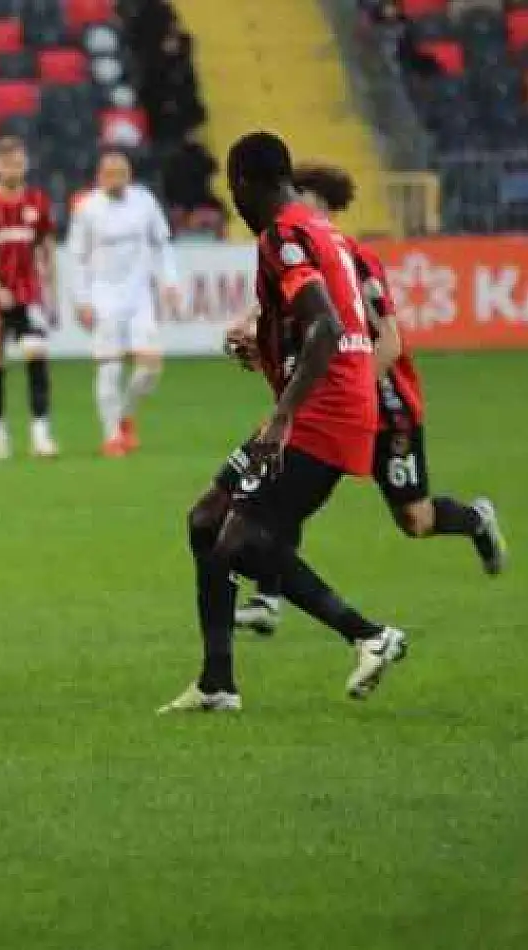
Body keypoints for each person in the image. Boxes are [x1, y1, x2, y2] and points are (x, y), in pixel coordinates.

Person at [161, 132, 408, 714]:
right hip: (328, 399)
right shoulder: (318, 229)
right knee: (206, 522)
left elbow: (323, 327)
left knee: (242, 542)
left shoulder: (283, 236)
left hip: (324, 412)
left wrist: (282, 415)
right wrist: (268, 349)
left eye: (233, 189)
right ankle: (217, 683)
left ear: (249, 181)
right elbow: (331, 327)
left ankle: (369, 636)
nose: (233, 204)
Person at [232, 162, 507, 634]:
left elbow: (391, 344)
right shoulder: (295, 255)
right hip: (334, 407)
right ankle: (268, 597)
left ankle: (475, 520)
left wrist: (344, 385)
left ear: (325, 208)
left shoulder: (354, 259)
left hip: (386, 406)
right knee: (285, 478)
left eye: (303, 200)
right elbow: (273, 314)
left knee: (414, 520)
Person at [68, 151, 182, 457]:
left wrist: (169, 281)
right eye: (110, 173)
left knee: (150, 369)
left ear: (130, 175)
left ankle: (124, 416)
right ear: (99, 175)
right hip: (103, 296)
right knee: (110, 367)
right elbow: (77, 259)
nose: (116, 179)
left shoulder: (144, 202)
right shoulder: (87, 208)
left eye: (122, 172)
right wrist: (80, 300)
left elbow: (162, 244)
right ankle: (111, 437)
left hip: (140, 296)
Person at [0, 136, 59, 460]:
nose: (13, 168)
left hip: (28, 293)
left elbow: (48, 251)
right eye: (7, 162)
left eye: (18, 162)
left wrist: (52, 294)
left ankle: (40, 434)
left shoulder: (37, 200)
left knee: (36, 356)